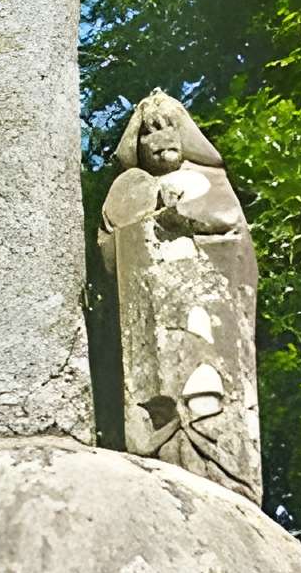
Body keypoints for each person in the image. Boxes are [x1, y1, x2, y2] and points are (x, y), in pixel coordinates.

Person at [98, 90, 262, 503]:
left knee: (209, 398)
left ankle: (226, 475)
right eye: (148, 130)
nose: (158, 136)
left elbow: (231, 234)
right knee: (162, 406)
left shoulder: (210, 180)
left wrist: (184, 218)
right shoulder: (129, 189)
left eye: (168, 125)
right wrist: (147, 221)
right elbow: (111, 253)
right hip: (155, 321)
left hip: (208, 311)